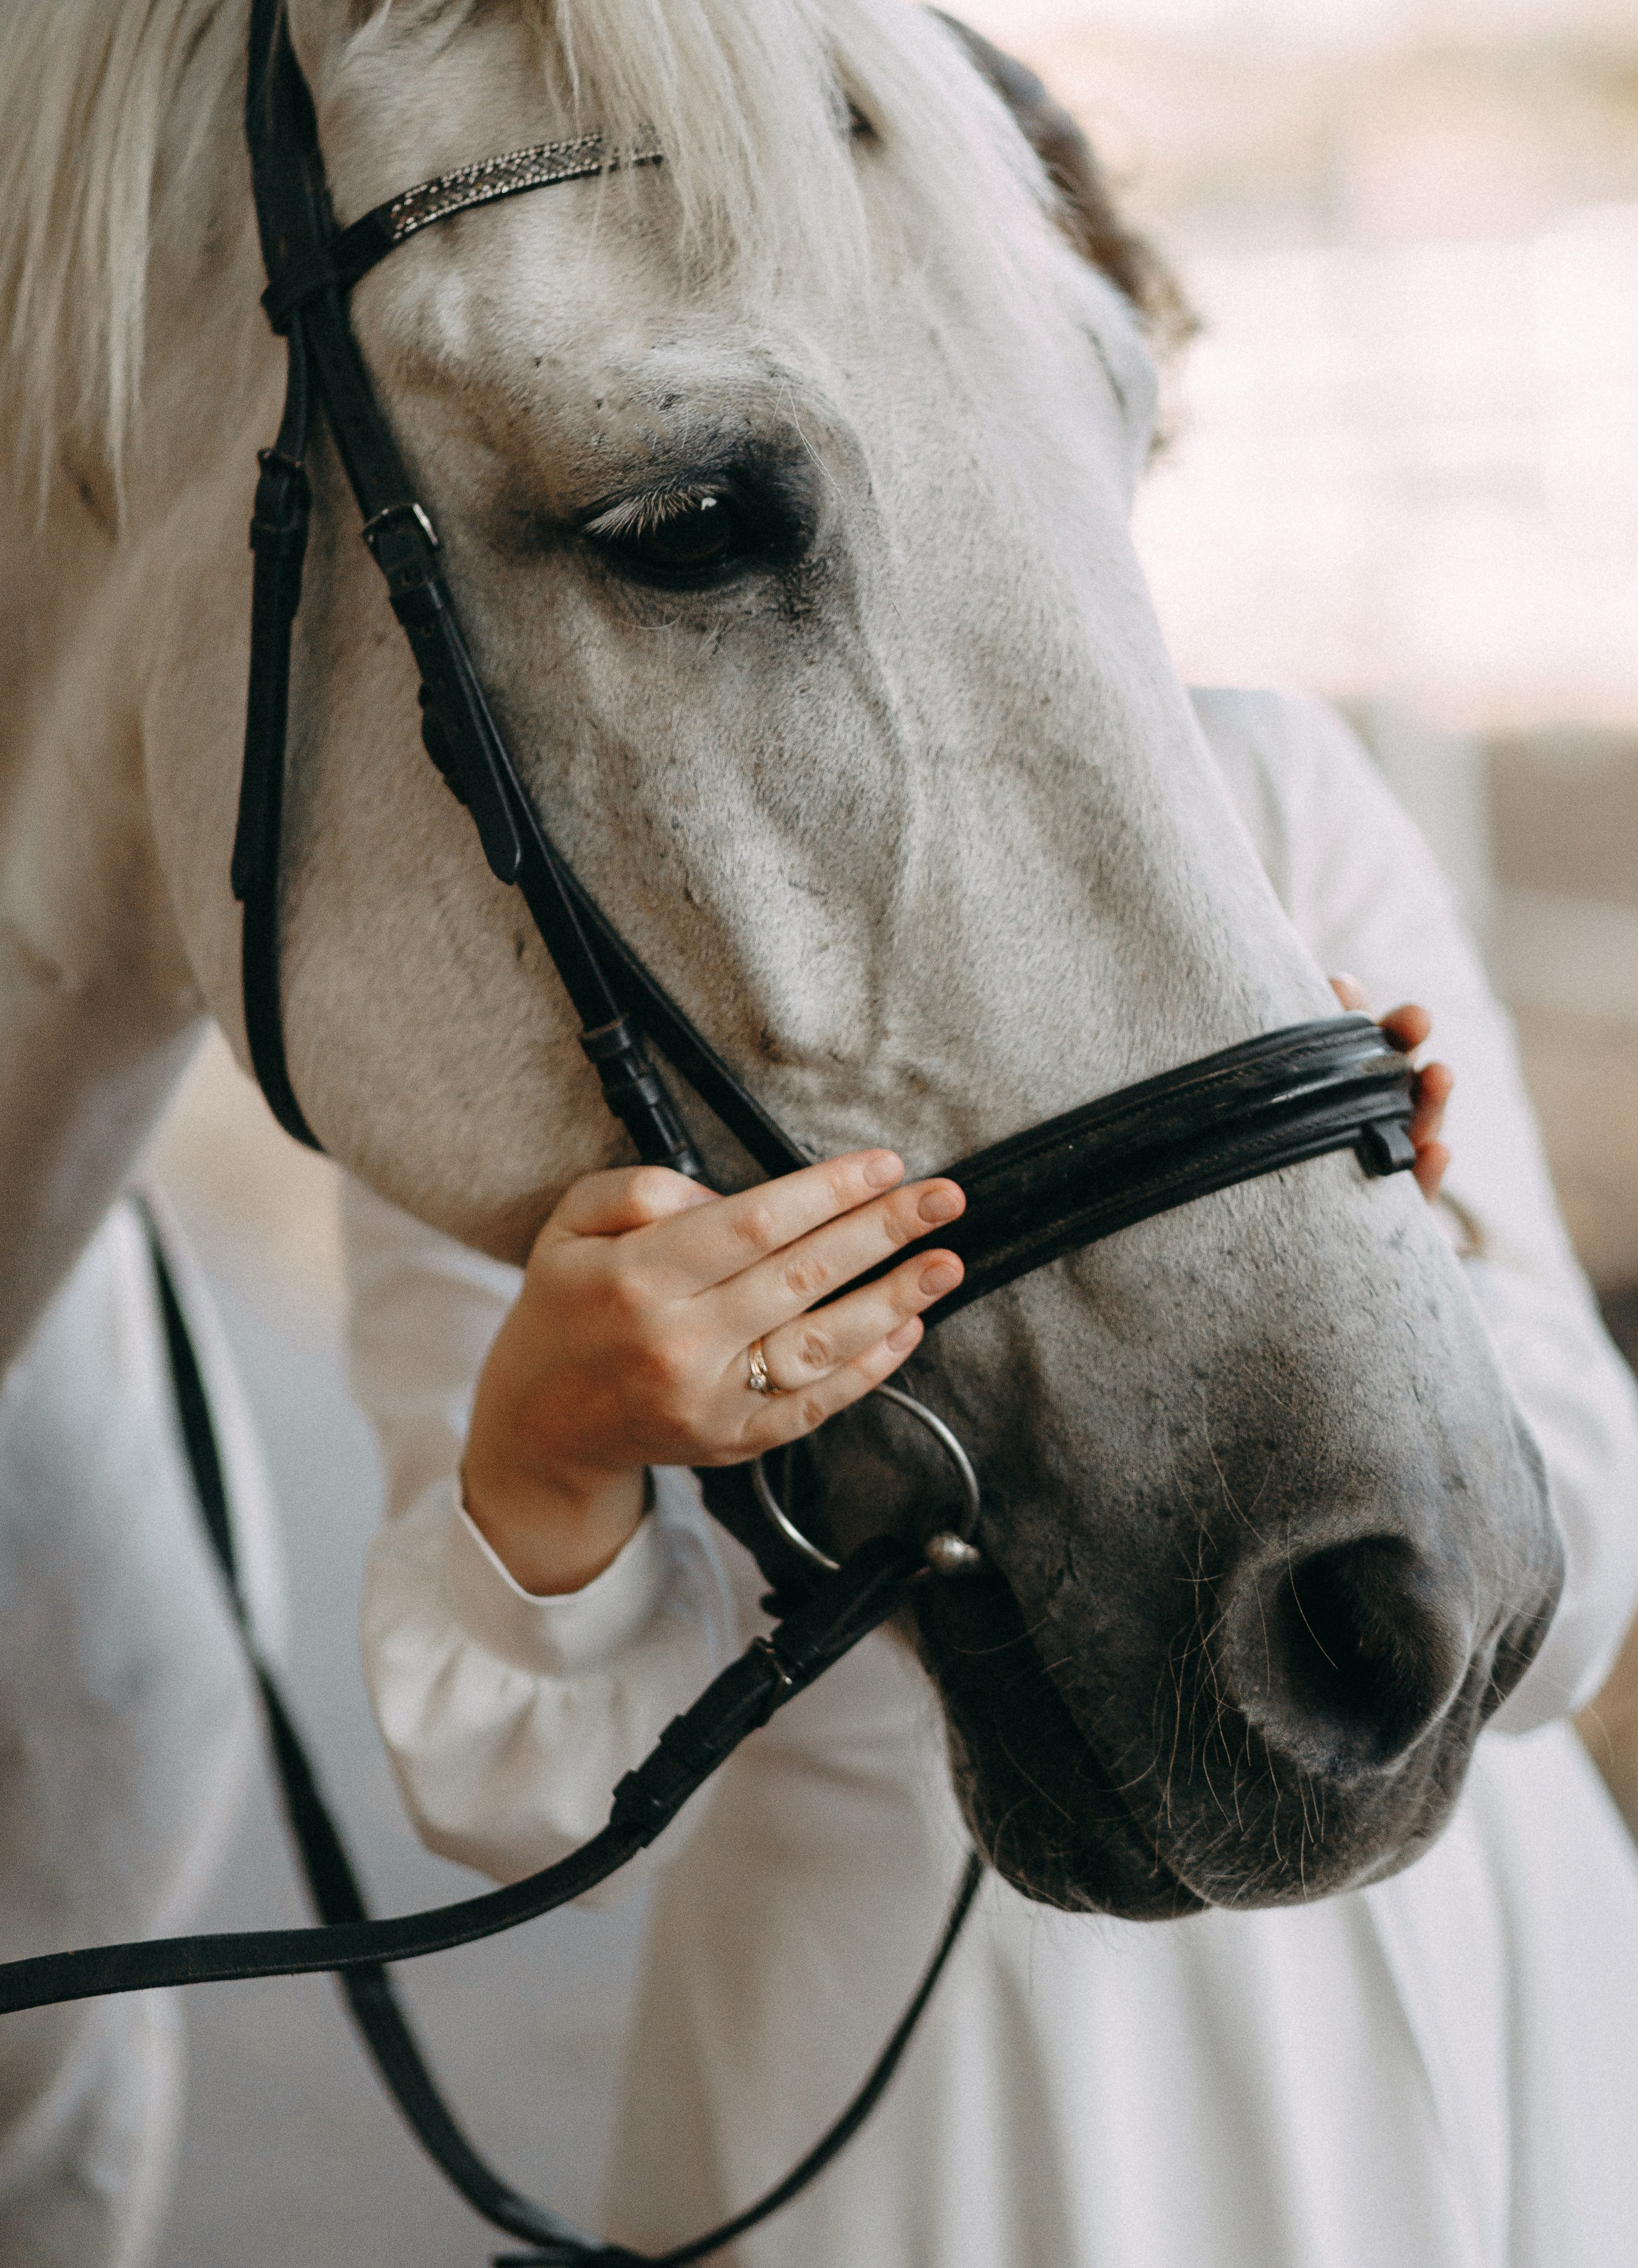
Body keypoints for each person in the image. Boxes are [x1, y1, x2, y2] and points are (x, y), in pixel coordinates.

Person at [343, 689, 1638, 2268]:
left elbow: (1565, 1596)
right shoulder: (487, 964)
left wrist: (1389, 1281)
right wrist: (552, 1455)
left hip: (1463, 1975)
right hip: (917, 2105)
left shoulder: (1266, 790)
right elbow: (534, 1826)